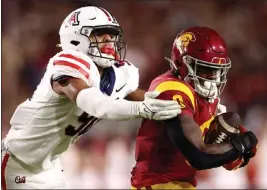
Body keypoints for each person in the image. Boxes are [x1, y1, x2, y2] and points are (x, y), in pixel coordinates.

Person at [1, 6, 181, 189]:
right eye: (101, 35)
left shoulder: (117, 74)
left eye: (112, 36)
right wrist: (142, 110)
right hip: (19, 162)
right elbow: (93, 102)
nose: (109, 41)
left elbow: (142, 97)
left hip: (50, 165)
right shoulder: (67, 65)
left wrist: (178, 104)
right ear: (76, 38)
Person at [131, 26, 258, 189]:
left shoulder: (206, 98)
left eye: (217, 71)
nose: (213, 78)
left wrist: (239, 153)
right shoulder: (170, 89)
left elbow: (220, 157)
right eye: (206, 69)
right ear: (183, 62)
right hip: (156, 184)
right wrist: (237, 147)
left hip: (181, 184)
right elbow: (198, 156)